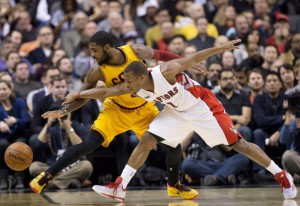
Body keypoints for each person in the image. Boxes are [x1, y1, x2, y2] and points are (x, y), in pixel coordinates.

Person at [68, 39, 297, 201]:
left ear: (141, 76)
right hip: (176, 110)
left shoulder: (166, 71)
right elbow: (107, 92)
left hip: (202, 106)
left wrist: (221, 48)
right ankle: (120, 186)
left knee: (239, 144)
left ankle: (281, 175)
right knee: (147, 138)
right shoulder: (133, 85)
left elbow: (195, 57)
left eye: (129, 81)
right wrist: (79, 94)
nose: (125, 85)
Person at [29, 31, 206, 199]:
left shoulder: (134, 51)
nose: (92, 55)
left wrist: (187, 62)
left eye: (95, 50)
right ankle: (46, 176)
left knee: (173, 146)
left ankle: (174, 186)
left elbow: (163, 55)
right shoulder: (96, 71)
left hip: (144, 108)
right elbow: (81, 96)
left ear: (106, 47)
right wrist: (63, 110)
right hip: (115, 111)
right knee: (89, 144)